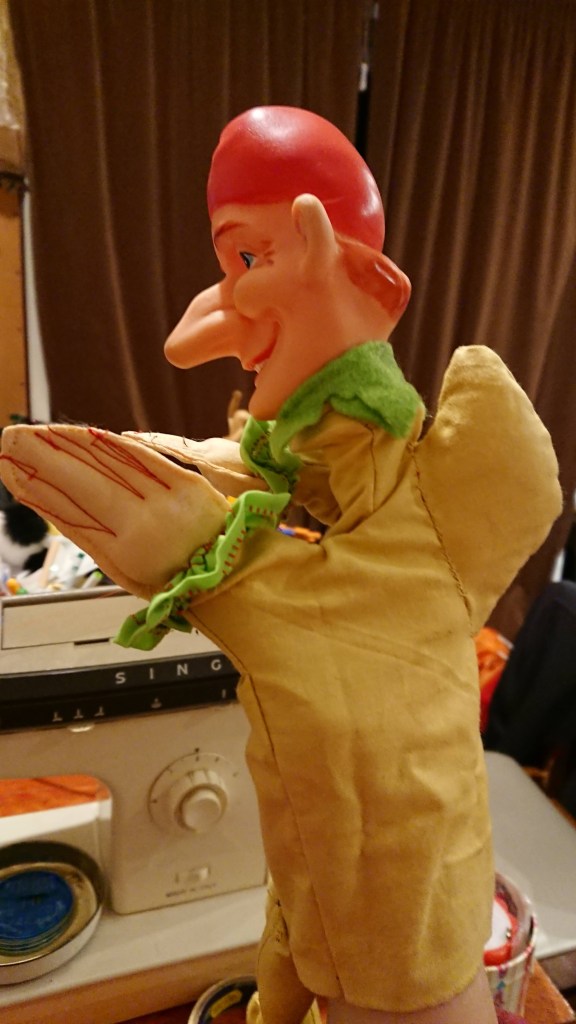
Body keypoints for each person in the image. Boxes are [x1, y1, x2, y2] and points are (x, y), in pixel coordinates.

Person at [0, 107, 562, 1024]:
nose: (223, 305)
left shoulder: (414, 541)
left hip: (408, 963)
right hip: (338, 916)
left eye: (249, 257)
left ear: (323, 245)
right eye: (228, 262)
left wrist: (224, 571)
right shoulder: (362, 496)